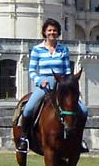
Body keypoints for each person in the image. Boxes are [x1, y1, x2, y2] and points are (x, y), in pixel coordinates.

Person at [16, 19, 89, 153]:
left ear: (58, 33)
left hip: (62, 85)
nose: (52, 33)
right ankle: (24, 138)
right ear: (44, 32)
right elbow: (32, 71)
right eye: (49, 30)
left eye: (54, 30)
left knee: (83, 110)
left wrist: (69, 82)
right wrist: (40, 81)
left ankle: (79, 140)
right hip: (44, 84)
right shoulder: (37, 50)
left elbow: (67, 70)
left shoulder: (63, 49)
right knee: (28, 109)